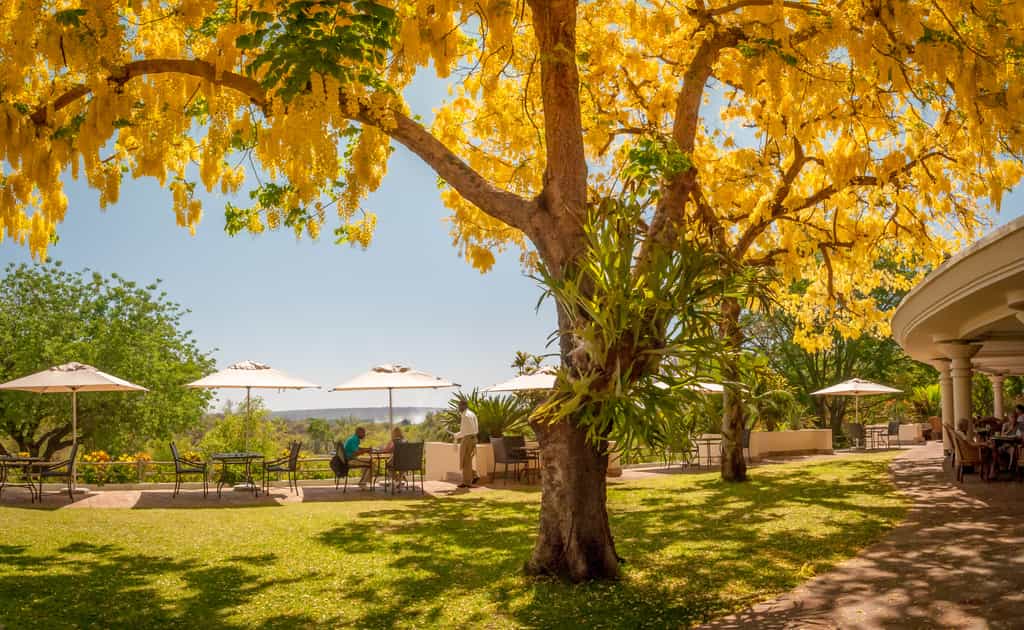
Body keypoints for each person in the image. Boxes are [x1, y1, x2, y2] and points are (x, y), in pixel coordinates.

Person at [451, 400, 479, 488]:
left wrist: (456, 435)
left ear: (464, 406)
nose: (458, 408)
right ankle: (473, 476)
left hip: (467, 439)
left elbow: (464, 432)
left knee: (464, 460)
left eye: (459, 406)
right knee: (467, 460)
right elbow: (475, 429)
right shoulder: (472, 414)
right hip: (473, 438)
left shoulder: (465, 416)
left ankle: (467, 482)